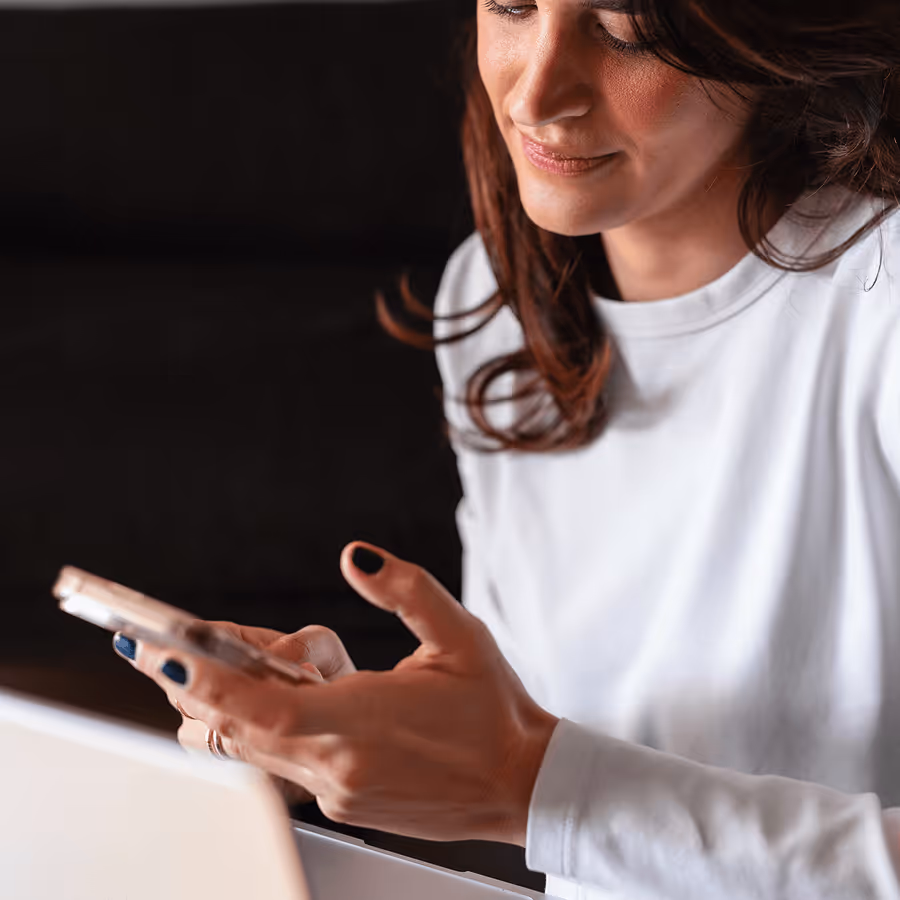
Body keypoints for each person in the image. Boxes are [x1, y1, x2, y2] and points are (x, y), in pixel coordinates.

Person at [116, 0, 900, 897]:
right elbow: (550, 744)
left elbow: (550, 785)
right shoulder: (493, 298)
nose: (536, 94)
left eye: (624, 28)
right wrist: (357, 734)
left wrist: (527, 786)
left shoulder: (881, 299)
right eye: (515, 6)